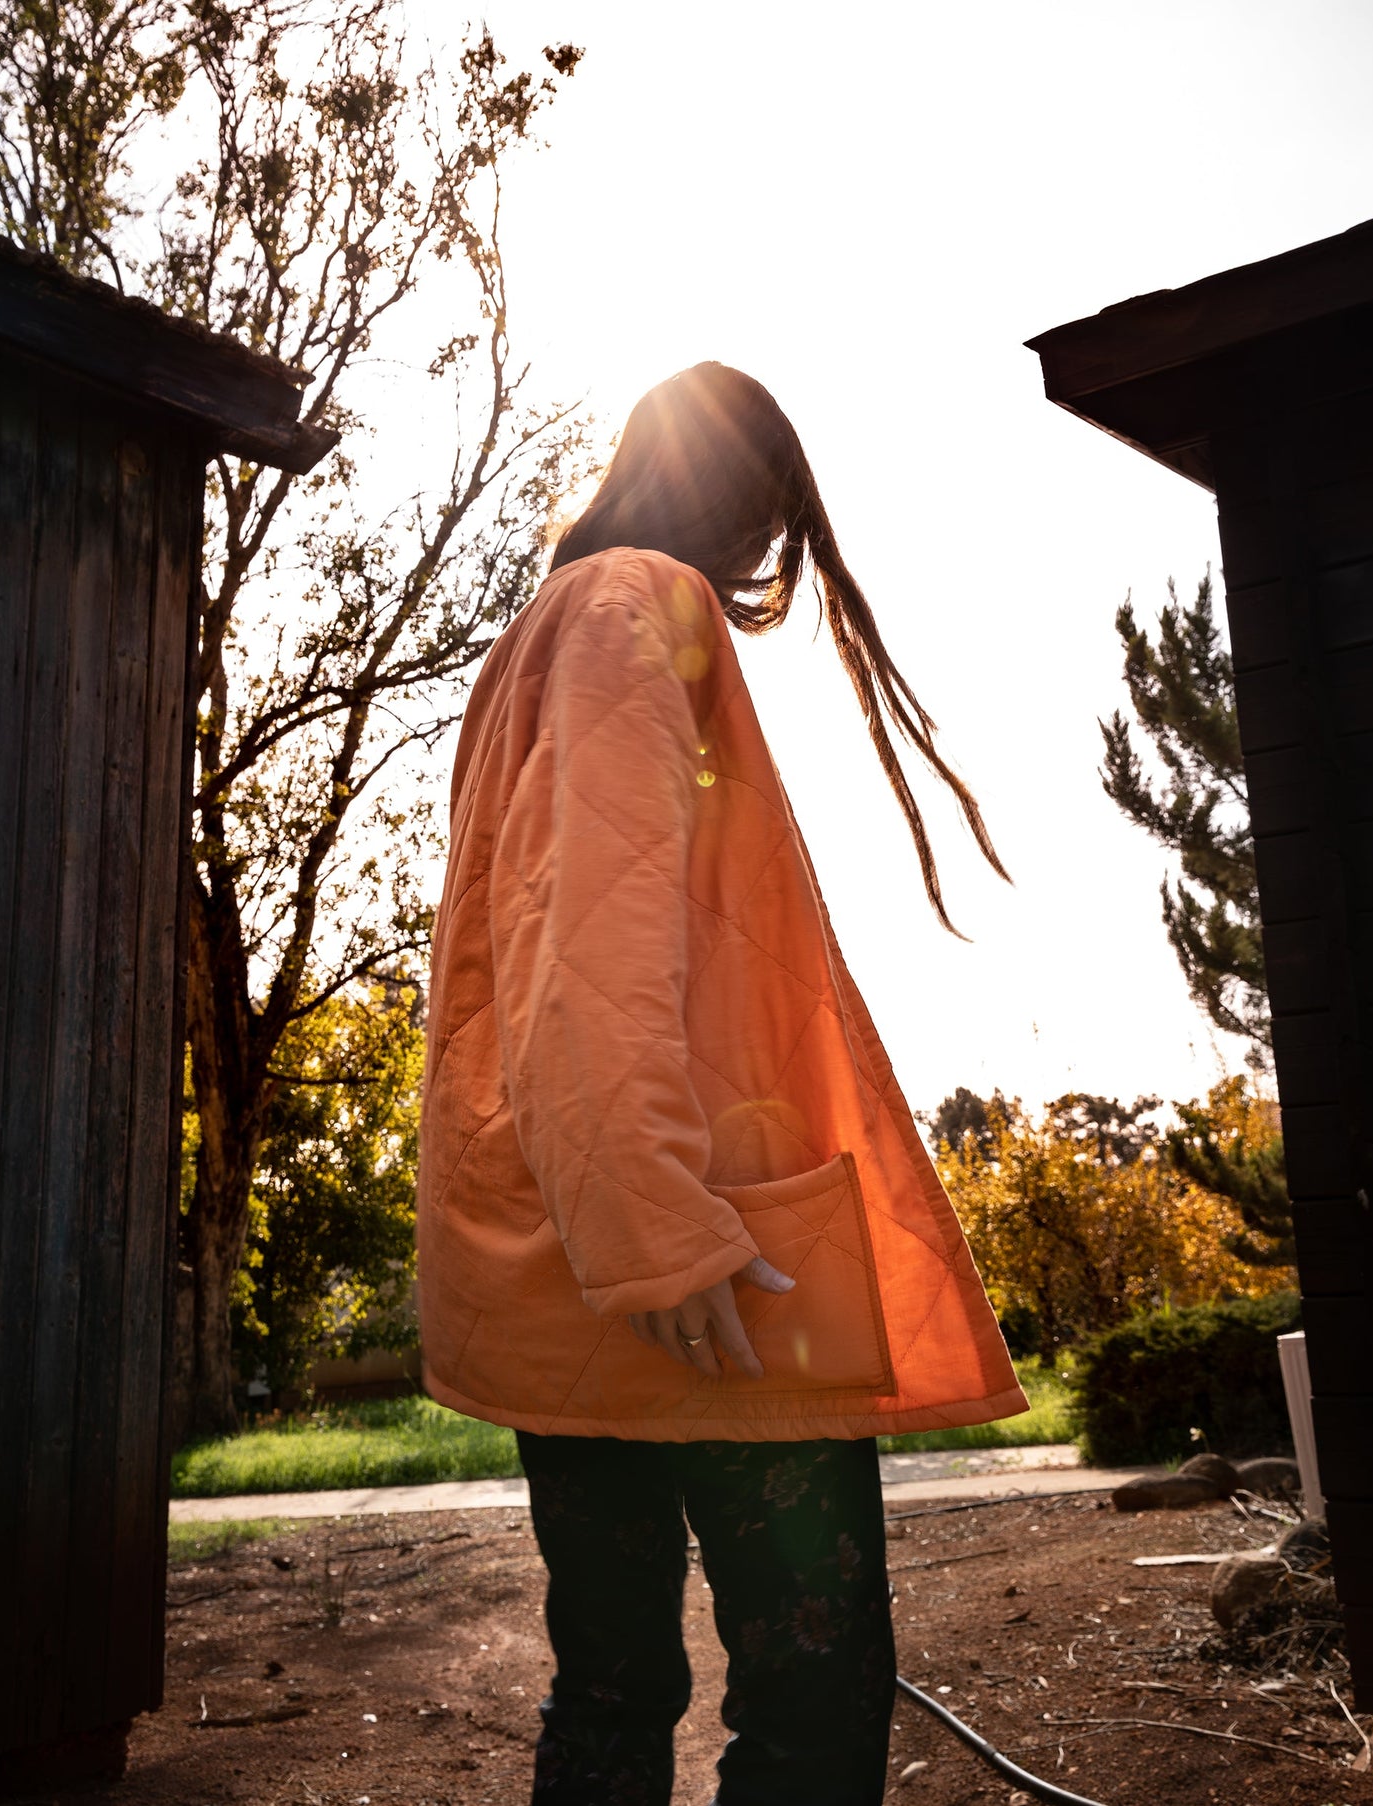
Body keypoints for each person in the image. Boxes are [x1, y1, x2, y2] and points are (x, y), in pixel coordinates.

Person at [417, 362, 1027, 1806]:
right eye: (771, 517)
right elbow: (595, 930)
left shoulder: (539, 636)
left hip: (556, 1252)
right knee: (809, 1694)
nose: (767, 555)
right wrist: (657, 1220)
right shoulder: (635, 603)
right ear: (743, 500)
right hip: (701, 1263)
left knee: (614, 1688)